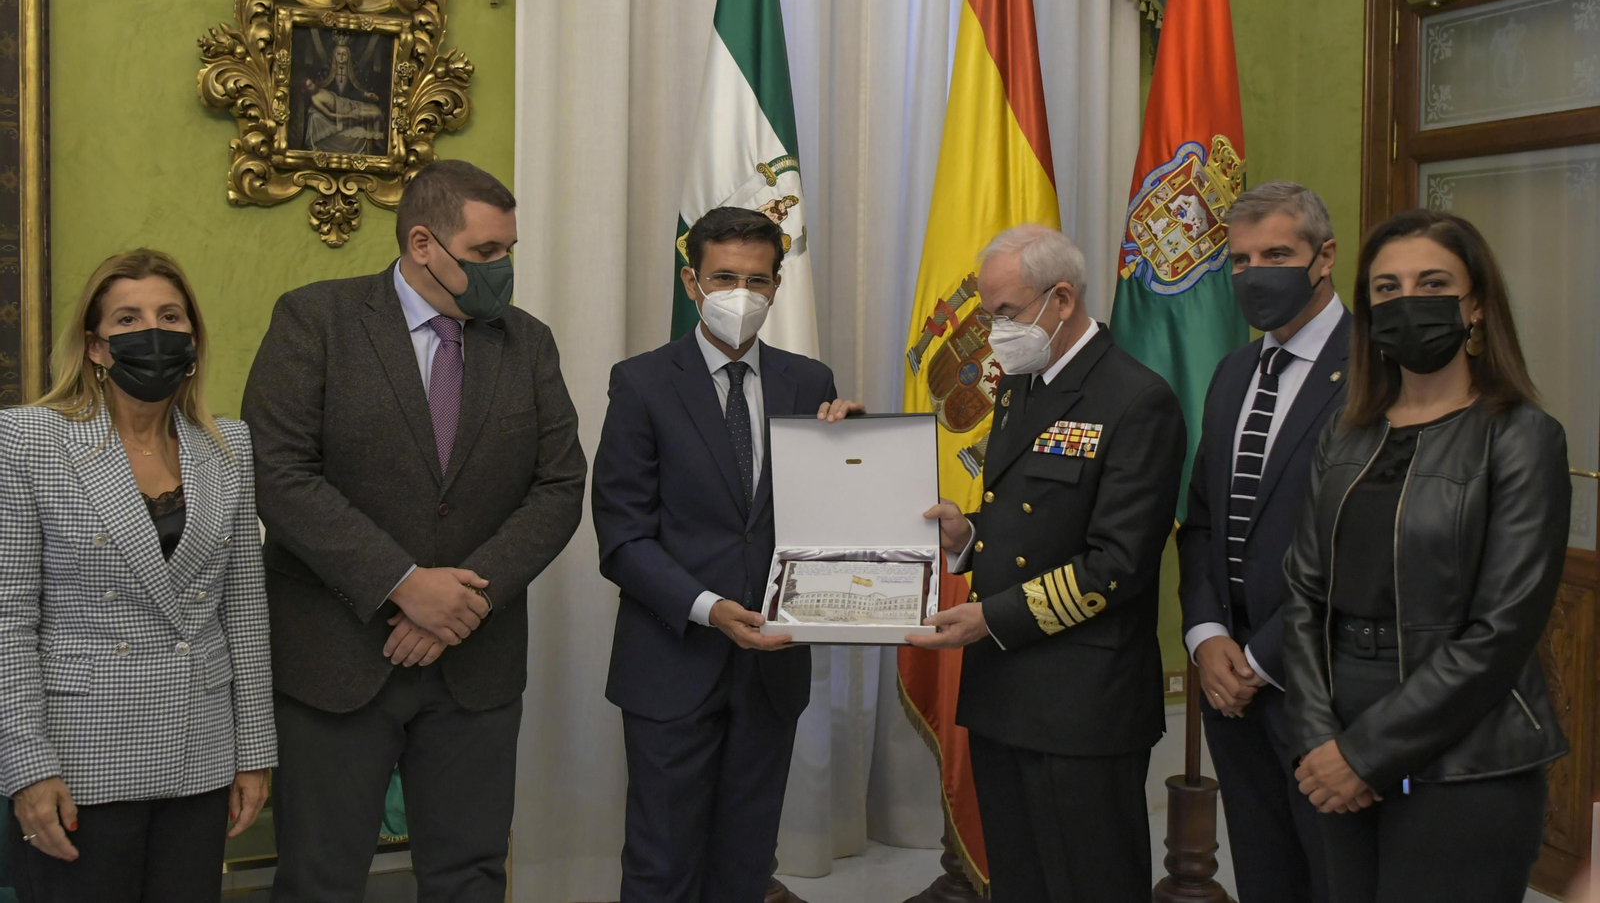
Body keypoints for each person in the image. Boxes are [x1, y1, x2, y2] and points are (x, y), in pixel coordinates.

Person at [241, 160, 586, 902]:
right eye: (487, 253)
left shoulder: (528, 343)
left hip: (476, 667)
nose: (504, 269)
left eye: (510, 250)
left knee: (470, 875)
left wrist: (463, 602)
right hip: (336, 663)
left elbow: (559, 487)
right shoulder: (315, 320)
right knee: (319, 879)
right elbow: (279, 473)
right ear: (423, 243)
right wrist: (402, 583)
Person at [1282, 209, 1569, 903]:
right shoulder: (1344, 434)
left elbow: (1501, 630)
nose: (1406, 300)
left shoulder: (1522, 437)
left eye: (1432, 281)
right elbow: (1304, 594)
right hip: (1336, 735)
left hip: (1464, 752)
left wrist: (1364, 755)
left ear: (1474, 306)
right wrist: (1322, 740)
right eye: (1385, 288)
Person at [592, 206, 862, 903]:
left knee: (745, 863)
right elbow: (622, 538)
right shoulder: (642, 382)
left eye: (757, 278)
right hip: (672, 660)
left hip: (771, 668)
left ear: (776, 286)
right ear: (691, 281)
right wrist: (711, 610)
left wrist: (861, 457)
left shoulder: (810, 382)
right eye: (723, 277)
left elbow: (829, 523)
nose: (740, 292)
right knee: (662, 863)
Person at [910, 224, 1186, 903]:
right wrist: (965, 535)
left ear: (1060, 300)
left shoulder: (1135, 398)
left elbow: (1116, 564)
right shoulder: (1022, 386)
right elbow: (1025, 525)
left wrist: (991, 617)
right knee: (1023, 883)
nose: (996, 330)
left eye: (1006, 312)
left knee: (1089, 884)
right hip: (1006, 688)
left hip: (1082, 702)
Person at [0, 249, 274, 902]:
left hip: (199, 754)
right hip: (80, 758)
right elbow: (8, 617)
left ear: (192, 338)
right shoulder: (28, 439)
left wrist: (255, 752)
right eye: (128, 317)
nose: (153, 331)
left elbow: (244, 606)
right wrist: (27, 768)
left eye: (169, 315)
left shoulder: (229, 443)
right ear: (96, 346)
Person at [1177, 181, 1346, 903]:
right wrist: (1207, 633)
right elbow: (1203, 518)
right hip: (1227, 686)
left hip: (1326, 685)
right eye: (1241, 260)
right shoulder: (1233, 371)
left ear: (1324, 257)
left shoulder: (1377, 371)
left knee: (1336, 877)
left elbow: (1362, 543)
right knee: (1264, 872)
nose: (1256, 274)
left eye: (1277, 253)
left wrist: (1259, 657)